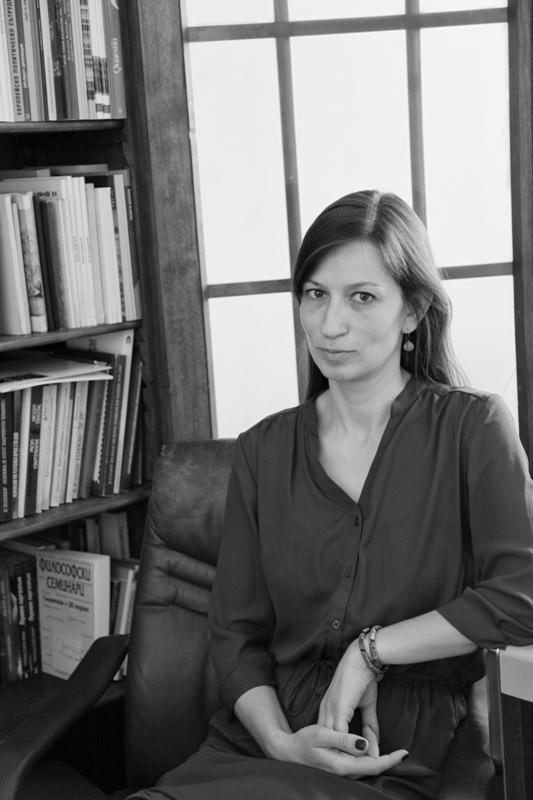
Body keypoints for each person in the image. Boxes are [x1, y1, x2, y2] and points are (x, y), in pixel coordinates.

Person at [128, 190, 533, 800]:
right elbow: (235, 635)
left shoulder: (473, 429)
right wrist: (279, 743)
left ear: (413, 310)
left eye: (361, 297)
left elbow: (522, 596)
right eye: (315, 294)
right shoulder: (263, 450)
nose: (329, 324)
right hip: (259, 741)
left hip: (393, 751)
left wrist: (370, 653)